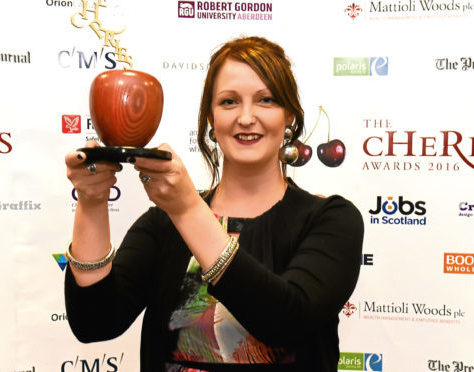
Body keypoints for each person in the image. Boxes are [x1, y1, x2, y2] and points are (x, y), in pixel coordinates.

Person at [64, 36, 364, 372]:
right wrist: (91, 201)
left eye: (266, 100)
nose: (246, 117)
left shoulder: (330, 220)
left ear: (289, 116)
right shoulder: (162, 225)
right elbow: (94, 323)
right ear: (210, 117)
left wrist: (188, 210)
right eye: (229, 102)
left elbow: (287, 321)